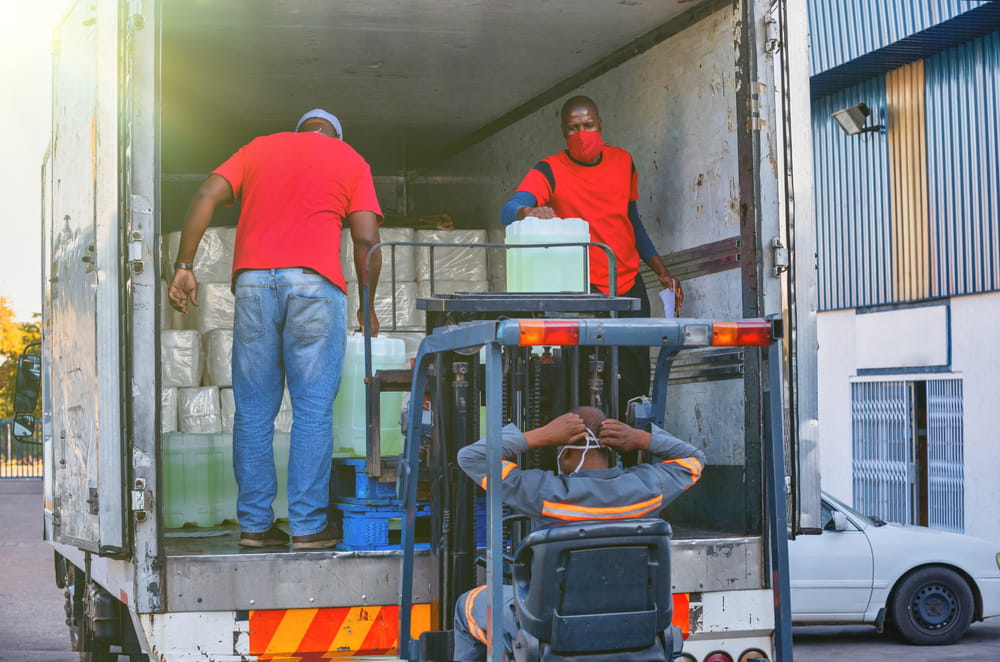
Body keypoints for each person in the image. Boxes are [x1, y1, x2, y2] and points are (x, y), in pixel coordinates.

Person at [168, 109, 383, 550]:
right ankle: (307, 527)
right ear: (335, 135)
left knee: (253, 413)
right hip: (315, 285)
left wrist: (184, 265)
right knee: (311, 410)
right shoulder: (349, 159)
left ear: (300, 129)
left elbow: (205, 193)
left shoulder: (258, 148)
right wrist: (367, 305)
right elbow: (365, 238)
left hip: (252, 286)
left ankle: (255, 526)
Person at [452, 407, 706, 661]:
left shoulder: (545, 495)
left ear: (567, 452)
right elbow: (694, 459)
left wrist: (542, 435)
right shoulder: (649, 489)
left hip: (552, 632)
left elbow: (471, 457)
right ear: (612, 450)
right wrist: (640, 439)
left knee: (468, 603)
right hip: (632, 627)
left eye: (557, 449)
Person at [500, 96, 683, 419]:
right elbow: (509, 209)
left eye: (588, 126)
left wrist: (660, 268)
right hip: (584, 289)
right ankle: (585, 447)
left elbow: (632, 221)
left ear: (600, 124)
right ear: (563, 131)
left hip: (627, 282)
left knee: (635, 370)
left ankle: (632, 444)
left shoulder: (623, 162)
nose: (582, 134)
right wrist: (528, 210)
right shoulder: (550, 169)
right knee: (585, 372)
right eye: (573, 128)